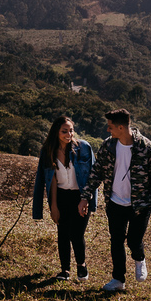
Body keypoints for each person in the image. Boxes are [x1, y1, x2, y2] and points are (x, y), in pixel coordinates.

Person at [80, 109, 151, 292]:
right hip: (115, 202)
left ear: (121, 127)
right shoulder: (109, 146)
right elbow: (97, 172)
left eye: (110, 127)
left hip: (140, 204)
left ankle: (140, 259)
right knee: (116, 241)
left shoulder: (146, 147)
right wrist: (85, 197)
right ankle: (118, 279)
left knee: (134, 241)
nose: (108, 130)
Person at [32, 116, 94, 281]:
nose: (69, 134)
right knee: (63, 233)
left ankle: (81, 265)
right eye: (64, 131)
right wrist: (53, 206)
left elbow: (92, 176)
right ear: (56, 132)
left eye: (71, 130)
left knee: (77, 233)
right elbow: (50, 179)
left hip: (80, 196)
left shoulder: (84, 148)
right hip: (61, 196)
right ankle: (65, 270)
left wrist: (87, 199)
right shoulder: (48, 151)